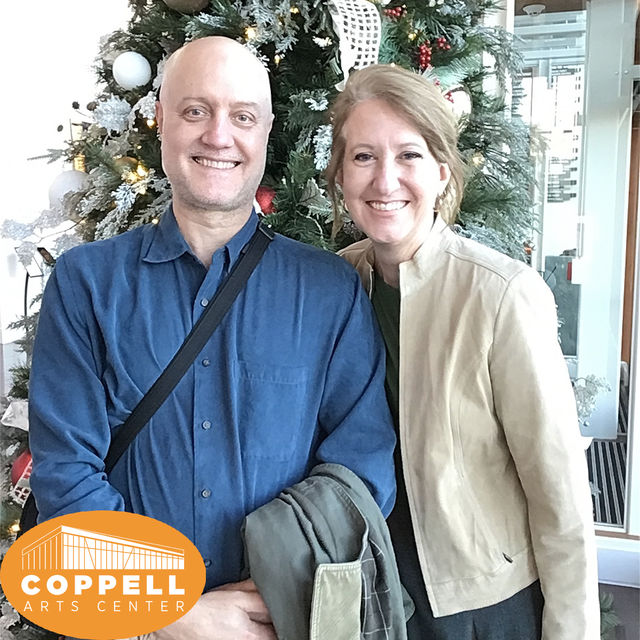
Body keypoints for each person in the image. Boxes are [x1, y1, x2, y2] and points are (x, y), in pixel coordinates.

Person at [28, 37, 397, 639]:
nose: (219, 136)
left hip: (276, 622)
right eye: (196, 110)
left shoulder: (330, 291)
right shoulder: (85, 283)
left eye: (242, 116)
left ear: (266, 131)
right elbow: (66, 471)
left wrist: (277, 586)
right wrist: (172, 612)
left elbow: (362, 467)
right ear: (161, 121)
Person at [327, 64, 599, 640]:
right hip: (370, 591)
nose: (385, 180)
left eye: (409, 155)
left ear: (442, 173)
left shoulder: (501, 294)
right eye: (364, 156)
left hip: (482, 605)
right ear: (341, 176)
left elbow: (559, 493)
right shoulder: (332, 285)